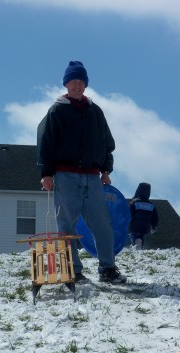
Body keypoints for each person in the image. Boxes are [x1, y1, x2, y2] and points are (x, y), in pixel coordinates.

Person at [37, 60, 126, 284]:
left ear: (85, 85)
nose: (77, 85)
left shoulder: (95, 112)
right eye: (73, 81)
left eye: (80, 81)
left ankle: (107, 268)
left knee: (102, 224)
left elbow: (107, 143)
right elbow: (45, 143)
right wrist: (46, 173)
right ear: (66, 84)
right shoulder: (57, 110)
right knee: (66, 225)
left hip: (92, 176)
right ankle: (73, 271)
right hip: (65, 175)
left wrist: (106, 169)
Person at [129, 182, 159, 250]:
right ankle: (140, 246)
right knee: (142, 237)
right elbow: (155, 217)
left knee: (133, 235)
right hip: (145, 226)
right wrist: (154, 226)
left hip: (135, 225)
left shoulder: (135, 202)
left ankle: (136, 243)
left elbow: (130, 213)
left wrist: (130, 204)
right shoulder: (151, 205)